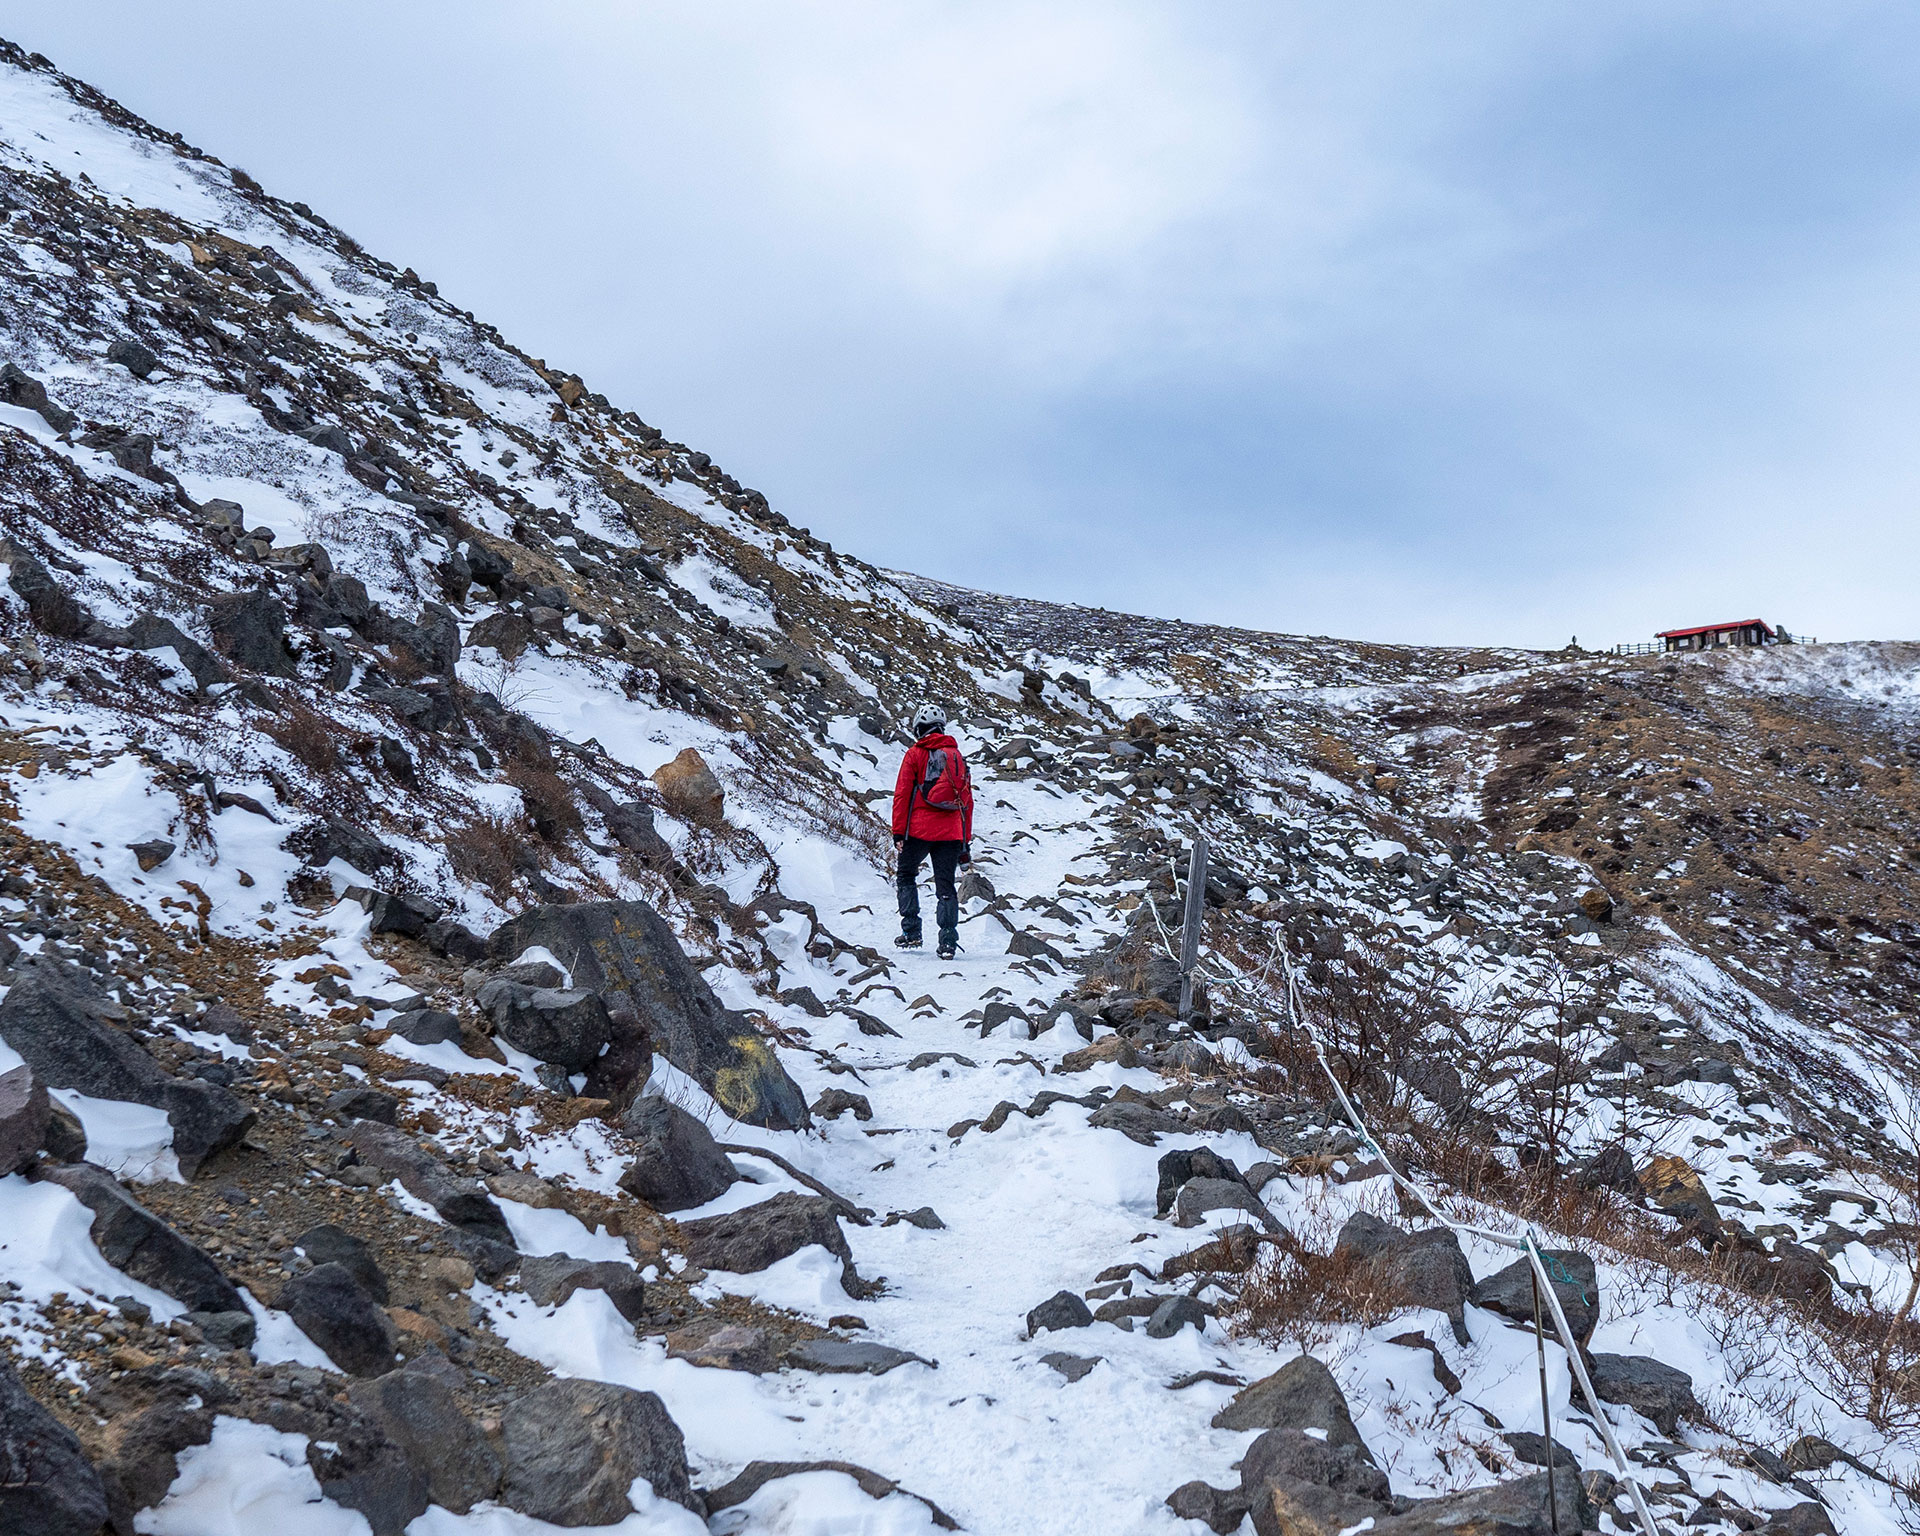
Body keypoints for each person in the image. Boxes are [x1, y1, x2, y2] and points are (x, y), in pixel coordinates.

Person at [891, 703, 973, 958]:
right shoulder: (956, 756)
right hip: (950, 833)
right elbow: (967, 802)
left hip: (918, 831)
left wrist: (898, 833)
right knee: (946, 886)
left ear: (919, 728)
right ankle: (948, 942)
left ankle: (911, 932)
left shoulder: (915, 754)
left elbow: (902, 795)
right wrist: (964, 840)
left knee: (906, 875)